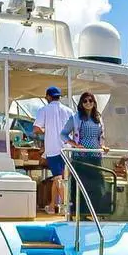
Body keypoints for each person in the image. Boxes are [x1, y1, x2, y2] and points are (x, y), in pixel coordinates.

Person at [61, 91, 108, 215]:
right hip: (80, 157)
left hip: (95, 156)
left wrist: (102, 146)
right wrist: (74, 144)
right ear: (81, 103)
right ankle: (79, 212)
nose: (88, 103)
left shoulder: (98, 118)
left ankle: (95, 211)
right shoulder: (75, 118)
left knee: (98, 185)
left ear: (94, 103)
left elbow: (101, 136)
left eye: (90, 101)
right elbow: (63, 134)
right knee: (80, 185)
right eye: (85, 101)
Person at [33, 85, 72, 215]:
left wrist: (46, 130)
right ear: (59, 97)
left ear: (48, 97)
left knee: (58, 179)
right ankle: (52, 205)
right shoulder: (68, 110)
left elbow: (37, 129)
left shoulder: (44, 110)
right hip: (67, 149)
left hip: (53, 149)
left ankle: (66, 208)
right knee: (59, 178)